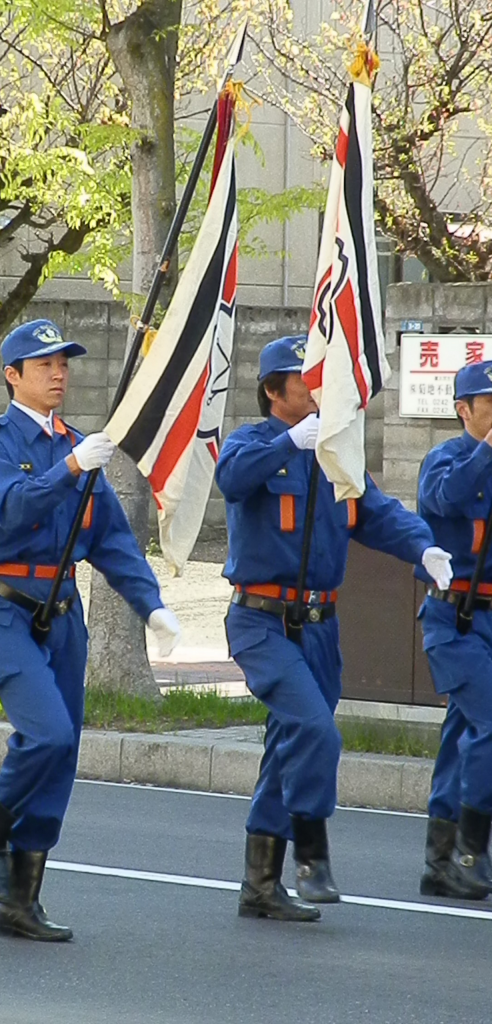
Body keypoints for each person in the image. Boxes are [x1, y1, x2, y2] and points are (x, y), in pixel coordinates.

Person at [0, 318, 181, 942]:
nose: (59, 373)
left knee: (62, 758)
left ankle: (20, 902)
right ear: (13, 374)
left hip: (61, 615)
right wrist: (70, 469)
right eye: (44, 364)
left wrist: (152, 606)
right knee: (47, 733)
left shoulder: (79, 447)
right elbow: (12, 506)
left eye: (64, 364)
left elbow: (110, 540)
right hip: (2, 607)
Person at [215, 334, 451, 922]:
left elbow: (376, 512)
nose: (320, 389)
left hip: (319, 627)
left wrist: (424, 550)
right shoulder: (254, 442)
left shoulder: (336, 453)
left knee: (288, 743)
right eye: (306, 380)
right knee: (316, 731)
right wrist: (290, 443)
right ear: (275, 391)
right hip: (261, 621)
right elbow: (232, 478)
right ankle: (311, 853)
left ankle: (259, 885)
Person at [416, 360, 492, 900]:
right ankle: (470, 852)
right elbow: (443, 501)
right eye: (489, 403)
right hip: (455, 619)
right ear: (464, 410)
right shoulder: (444, 459)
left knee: (461, 737)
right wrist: (487, 452)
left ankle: (439, 861)